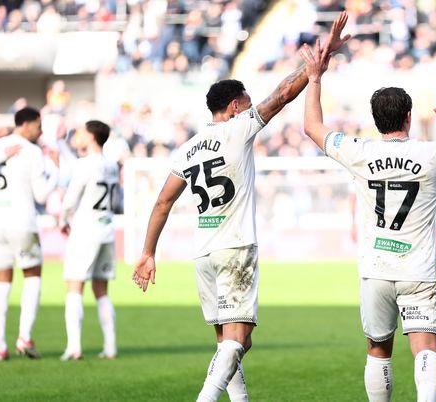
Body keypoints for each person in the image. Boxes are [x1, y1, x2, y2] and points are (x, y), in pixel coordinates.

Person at [131, 12, 350, 402]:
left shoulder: (188, 147)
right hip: (235, 247)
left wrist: (148, 252)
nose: (252, 107)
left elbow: (163, 200)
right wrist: (315, 66)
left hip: (203, 252)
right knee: (239, 340)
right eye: (247, 101)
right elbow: (281, 94)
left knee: (225, 343)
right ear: (234, 106)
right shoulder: (239, 127)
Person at [299, 41, 436, 402]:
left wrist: (315, 78)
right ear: (409, 117)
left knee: (378, 349)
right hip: (419, 270)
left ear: (375, 119)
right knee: (426, 348)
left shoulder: (358, 151)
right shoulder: (433, 154)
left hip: (376, 268)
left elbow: (311, 126)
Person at [0, 107, 60, 361]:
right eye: (38, 124)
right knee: (32, 276)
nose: (41, 130)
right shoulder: (32, 152)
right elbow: (42, 195)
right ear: (26, 124)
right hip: (22, 222)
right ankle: (24, 336)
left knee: (1, 283)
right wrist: (54, 171)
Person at [59, 120, 119, 361]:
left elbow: (69, 200)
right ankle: (111, 346)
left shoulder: (85, 165)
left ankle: (74, 347)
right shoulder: (112, 165)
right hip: (107, 228)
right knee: (101, 290)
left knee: (74, 287)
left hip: (85, 229)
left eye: (82, 132)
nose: (78, 135)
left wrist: (63, 220)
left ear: (92, 137)